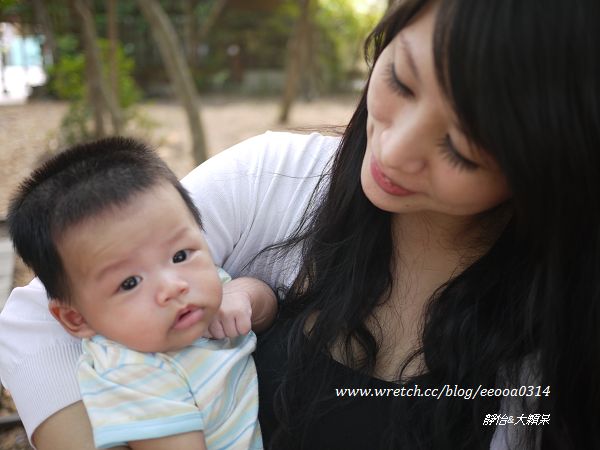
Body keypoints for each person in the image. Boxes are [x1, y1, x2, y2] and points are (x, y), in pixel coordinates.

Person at [1, 0, 598, 448]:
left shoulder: (557, 341)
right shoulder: (275, 179)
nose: (392, 152)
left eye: (461, 149)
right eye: (401, 79)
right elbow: (35, 322)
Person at [6, 137, 277, 449]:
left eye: (180, 255)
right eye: (130, 283)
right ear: (77, 318)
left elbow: (267, 306)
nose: (171, 286)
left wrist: (243, 294)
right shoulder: (132, 375)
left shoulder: (199, 286)